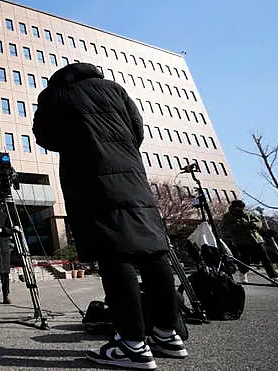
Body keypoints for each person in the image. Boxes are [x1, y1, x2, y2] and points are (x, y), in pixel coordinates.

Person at [33, 63, 187, 369]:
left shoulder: (56, 94)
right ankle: (168, 334)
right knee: (154, 252)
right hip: (133, 177)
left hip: (92, 180)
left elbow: (45, 136)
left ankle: (131, 343)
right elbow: (136, 129)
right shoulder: (116, 89)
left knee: (115, 256)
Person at [219, 200, 278, 284]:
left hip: (256, 239)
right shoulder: (227, 216)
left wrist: (253, 224)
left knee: (265, 258)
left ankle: (274, 276)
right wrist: (241, 226)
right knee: (245, 260)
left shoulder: (248, 213)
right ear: (233, 207)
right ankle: (243, 274)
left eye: (242, 208)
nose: (240, 210)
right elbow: (225, 229)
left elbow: (258, 222)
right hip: (241, 241)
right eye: (238, 208)